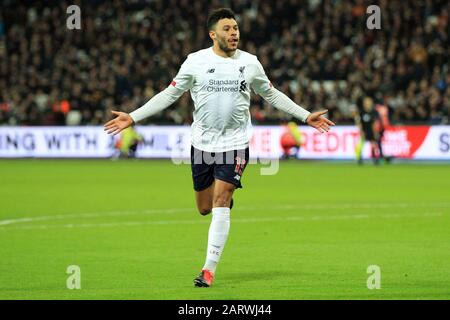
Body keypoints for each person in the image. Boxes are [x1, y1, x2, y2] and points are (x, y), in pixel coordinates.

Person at [103, 8, 335, 287]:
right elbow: (170, 93)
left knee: (221, 200)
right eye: (227, 28)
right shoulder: (195, 62)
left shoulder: (250, 63)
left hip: (235, 143)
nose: (233, 33)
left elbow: (270, 93)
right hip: (201, 144)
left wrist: (304, 114)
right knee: (204, 208)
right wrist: (134, 116)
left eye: (235, 28)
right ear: (213, 34)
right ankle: (223, 197)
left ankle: (208, 269)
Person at [355, 96, 384, 165]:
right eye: (365, 102)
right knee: (360, 145)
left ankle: (375, 159)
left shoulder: (374, 112)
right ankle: (359, 159)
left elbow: (376, 123)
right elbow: (359, 122)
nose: (367, 103)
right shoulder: (362, 112)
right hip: (364, 131)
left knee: (374, 145)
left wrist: (376, 132)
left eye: (368, 102)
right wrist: (361, 131)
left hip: (372, 131)